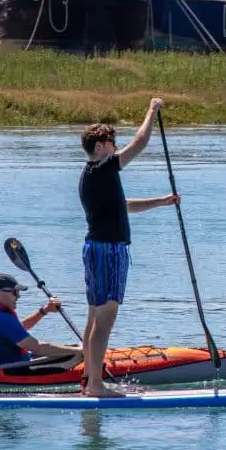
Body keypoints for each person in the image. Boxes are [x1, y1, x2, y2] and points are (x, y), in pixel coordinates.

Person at [78, 98, 180, 397]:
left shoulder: (93, 176)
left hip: (96, 248)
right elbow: (140, 142)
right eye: (112, 142)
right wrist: (151, 110)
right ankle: (96, 386)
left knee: (95, 317)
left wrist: (161, 202)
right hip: (108, 250)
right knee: (104, 319)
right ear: (99, 147)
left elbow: (123, 207)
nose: (116, 146)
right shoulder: (103, 168)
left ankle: (88, 380)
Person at [0, 273, 82, 367]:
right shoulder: (2, 319)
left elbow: (17, 329)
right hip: (9, 369)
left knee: (72, 349)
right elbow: (37, 348)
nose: (18, 296)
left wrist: (45, 310)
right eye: (15, 292)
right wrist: (79, 351)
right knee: (75, 353)